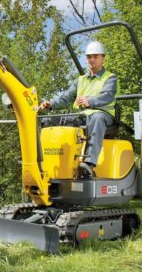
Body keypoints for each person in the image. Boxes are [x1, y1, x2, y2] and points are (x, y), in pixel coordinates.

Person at [39, 41, 118, 177]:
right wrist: (51, 104)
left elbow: (107, 96)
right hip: (82, 116)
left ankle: (89, 164)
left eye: (95, 56)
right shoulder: (80, 80)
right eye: (89, 57)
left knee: (97, 118)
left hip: (103, 115)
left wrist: (90, 101)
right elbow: (66, 98)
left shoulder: (110, 78)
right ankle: (43, 161)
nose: (91, 59)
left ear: (103, 58)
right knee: (49, 119)